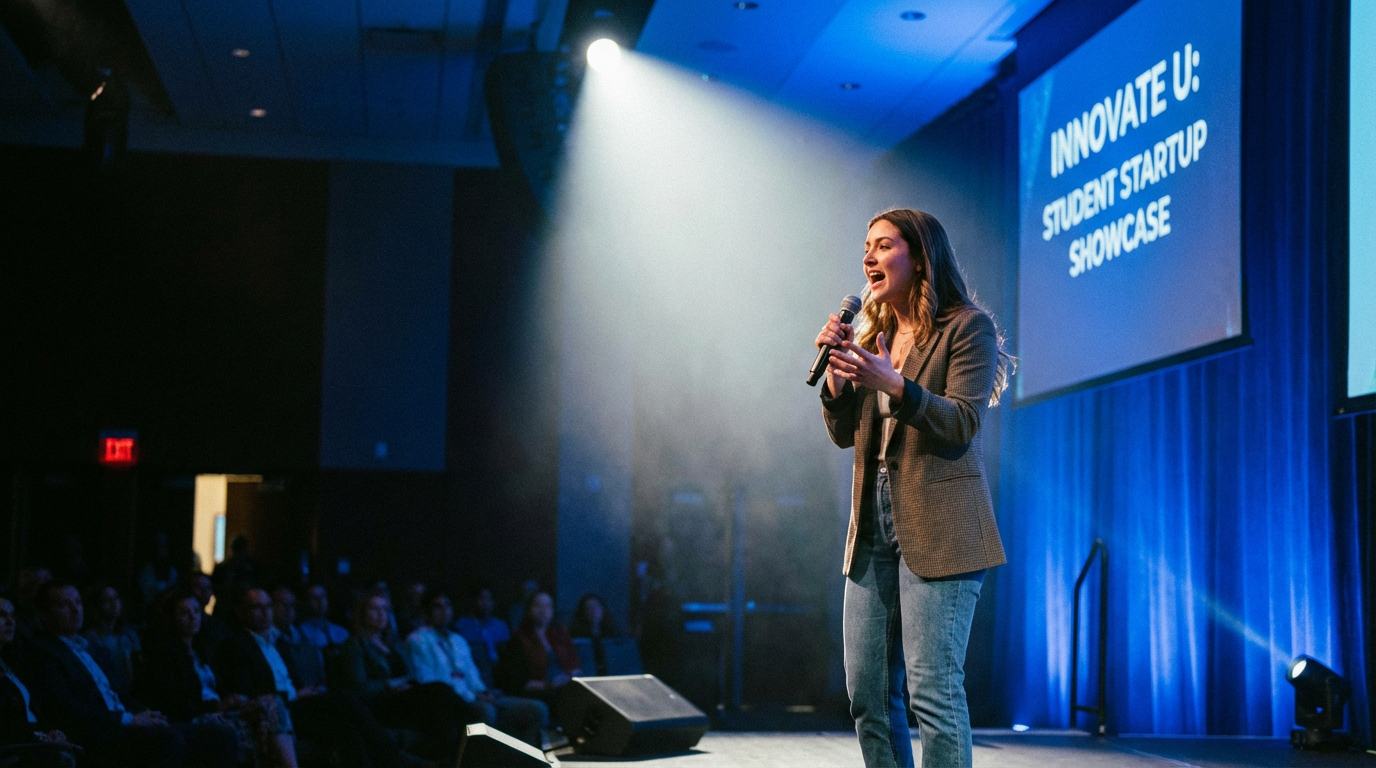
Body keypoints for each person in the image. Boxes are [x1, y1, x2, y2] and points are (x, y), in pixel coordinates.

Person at [816, 208, 1012, 768]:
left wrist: (895, 385)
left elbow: (961, 423)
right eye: (866, 247)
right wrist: (835, 380)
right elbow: (841, 435)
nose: (868, 257)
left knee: (933, 691)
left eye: (882, 245)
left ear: (920, 256)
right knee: (868, 696)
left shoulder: (966, 328)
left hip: (940, 519)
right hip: (872, 518)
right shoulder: (871, 332)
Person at [21, 582, 237, 767]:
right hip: (99, 731)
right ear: (44, 614)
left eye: (77, 603)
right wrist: (129, 719)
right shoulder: (43, 652)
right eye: (64, 605)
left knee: (222, 736)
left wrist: (146, 713)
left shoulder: (92, 648)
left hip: (124, 721)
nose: (76, 610)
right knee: (167, 740)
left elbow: (120, 693)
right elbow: (65, 707)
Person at [213, 588, 418, 767]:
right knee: (345, 699)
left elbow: (293, 679)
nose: (266, 612)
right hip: (276, 712)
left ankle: (390, 761)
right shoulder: (235, 646)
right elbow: (248, 692)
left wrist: (304, 691)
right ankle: (398, 758)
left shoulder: (278, 643)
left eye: (268, 606)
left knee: (347, 729)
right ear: (241, 613)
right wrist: (295, 694)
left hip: (297, 705)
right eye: (257, 607)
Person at [139, 590, 298, 766]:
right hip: (196, 716)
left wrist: (230, 700)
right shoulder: (165, 655)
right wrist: (216, 706)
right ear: (173, 618)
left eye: (197, 611)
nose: (193, 617)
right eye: (185, 613)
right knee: (266, 712)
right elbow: (172, 703)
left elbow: (221, 689)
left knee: (270, 706)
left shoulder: (203, 650)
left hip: (218, 711)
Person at [337, 591, 473, 763]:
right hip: (382, 703)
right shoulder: (355, 645)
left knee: (445, 722)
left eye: (384, 610)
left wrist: (407, 684)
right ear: (363, 614)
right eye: (374, 609)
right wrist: (388, 685)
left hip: (406, 697)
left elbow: (412, 674)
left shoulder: (395, 644)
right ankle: (475, 722)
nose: (381, 615)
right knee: (439, 689)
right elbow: (358, 688)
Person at [404, 588, 548, 747]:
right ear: (426, 612)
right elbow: (432, 683)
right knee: (486, 712)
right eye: (438, 607)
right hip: (454, 702)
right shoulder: (418, 640)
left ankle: (527, 763)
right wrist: (473, 696)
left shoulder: (458, 640)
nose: (444, 611)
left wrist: (483, 692)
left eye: (448, 606)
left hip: (474, 696)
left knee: (537, 710)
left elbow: (472, 675)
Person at [0, 596, 79, 767]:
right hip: (13, 751)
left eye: (12, 615)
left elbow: (30, 710)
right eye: (1, 615)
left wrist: (49, 732)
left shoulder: (12, 664)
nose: (9, 621)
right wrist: (37, 737)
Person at [495, 590, 581, 710]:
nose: (543, 610)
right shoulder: (520, 638)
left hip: (565, 684)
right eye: (538, 605)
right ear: (529, 609)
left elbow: (576, 665)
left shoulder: (560, 634)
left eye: (548, 606)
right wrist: (549, 685)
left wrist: (568, 676)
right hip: (540, 690)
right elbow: (518, 682)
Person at [81, 584, 140, 696]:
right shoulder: (90, 640)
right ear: (96, 605)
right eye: (107, 600)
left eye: (116, 598)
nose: (114, 604)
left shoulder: (129, 635)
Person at [269, 588, 327, 691]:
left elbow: (319, 674)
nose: (288, 609)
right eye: (283, 604)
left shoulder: (306, 638)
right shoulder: (267, 641)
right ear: (271, 607)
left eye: (291, 605)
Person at [454, 585, 509, 689]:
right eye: (482, 598)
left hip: (498, 679)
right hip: (472, 677)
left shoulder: (501, 626)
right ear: (473, 600)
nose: (486, 603)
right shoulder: (461, 626)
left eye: (489, 599)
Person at [568, 593, 621, 676]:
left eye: (596, 606)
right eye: (588, 608)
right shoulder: (575, 635)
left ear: (602, 609)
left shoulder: (613, 633)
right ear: (583, 612)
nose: (593, 610)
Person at [186, 573, 229, 660]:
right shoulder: (186, 621)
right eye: (198, 586)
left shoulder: (217, 624)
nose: (204, 591)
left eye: (208, 587)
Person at [296, 585, 348, 650]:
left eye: (323, 597)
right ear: (307, 602)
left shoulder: (341, 631)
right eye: (314, 598)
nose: (320, 601)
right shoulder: (301, 632)